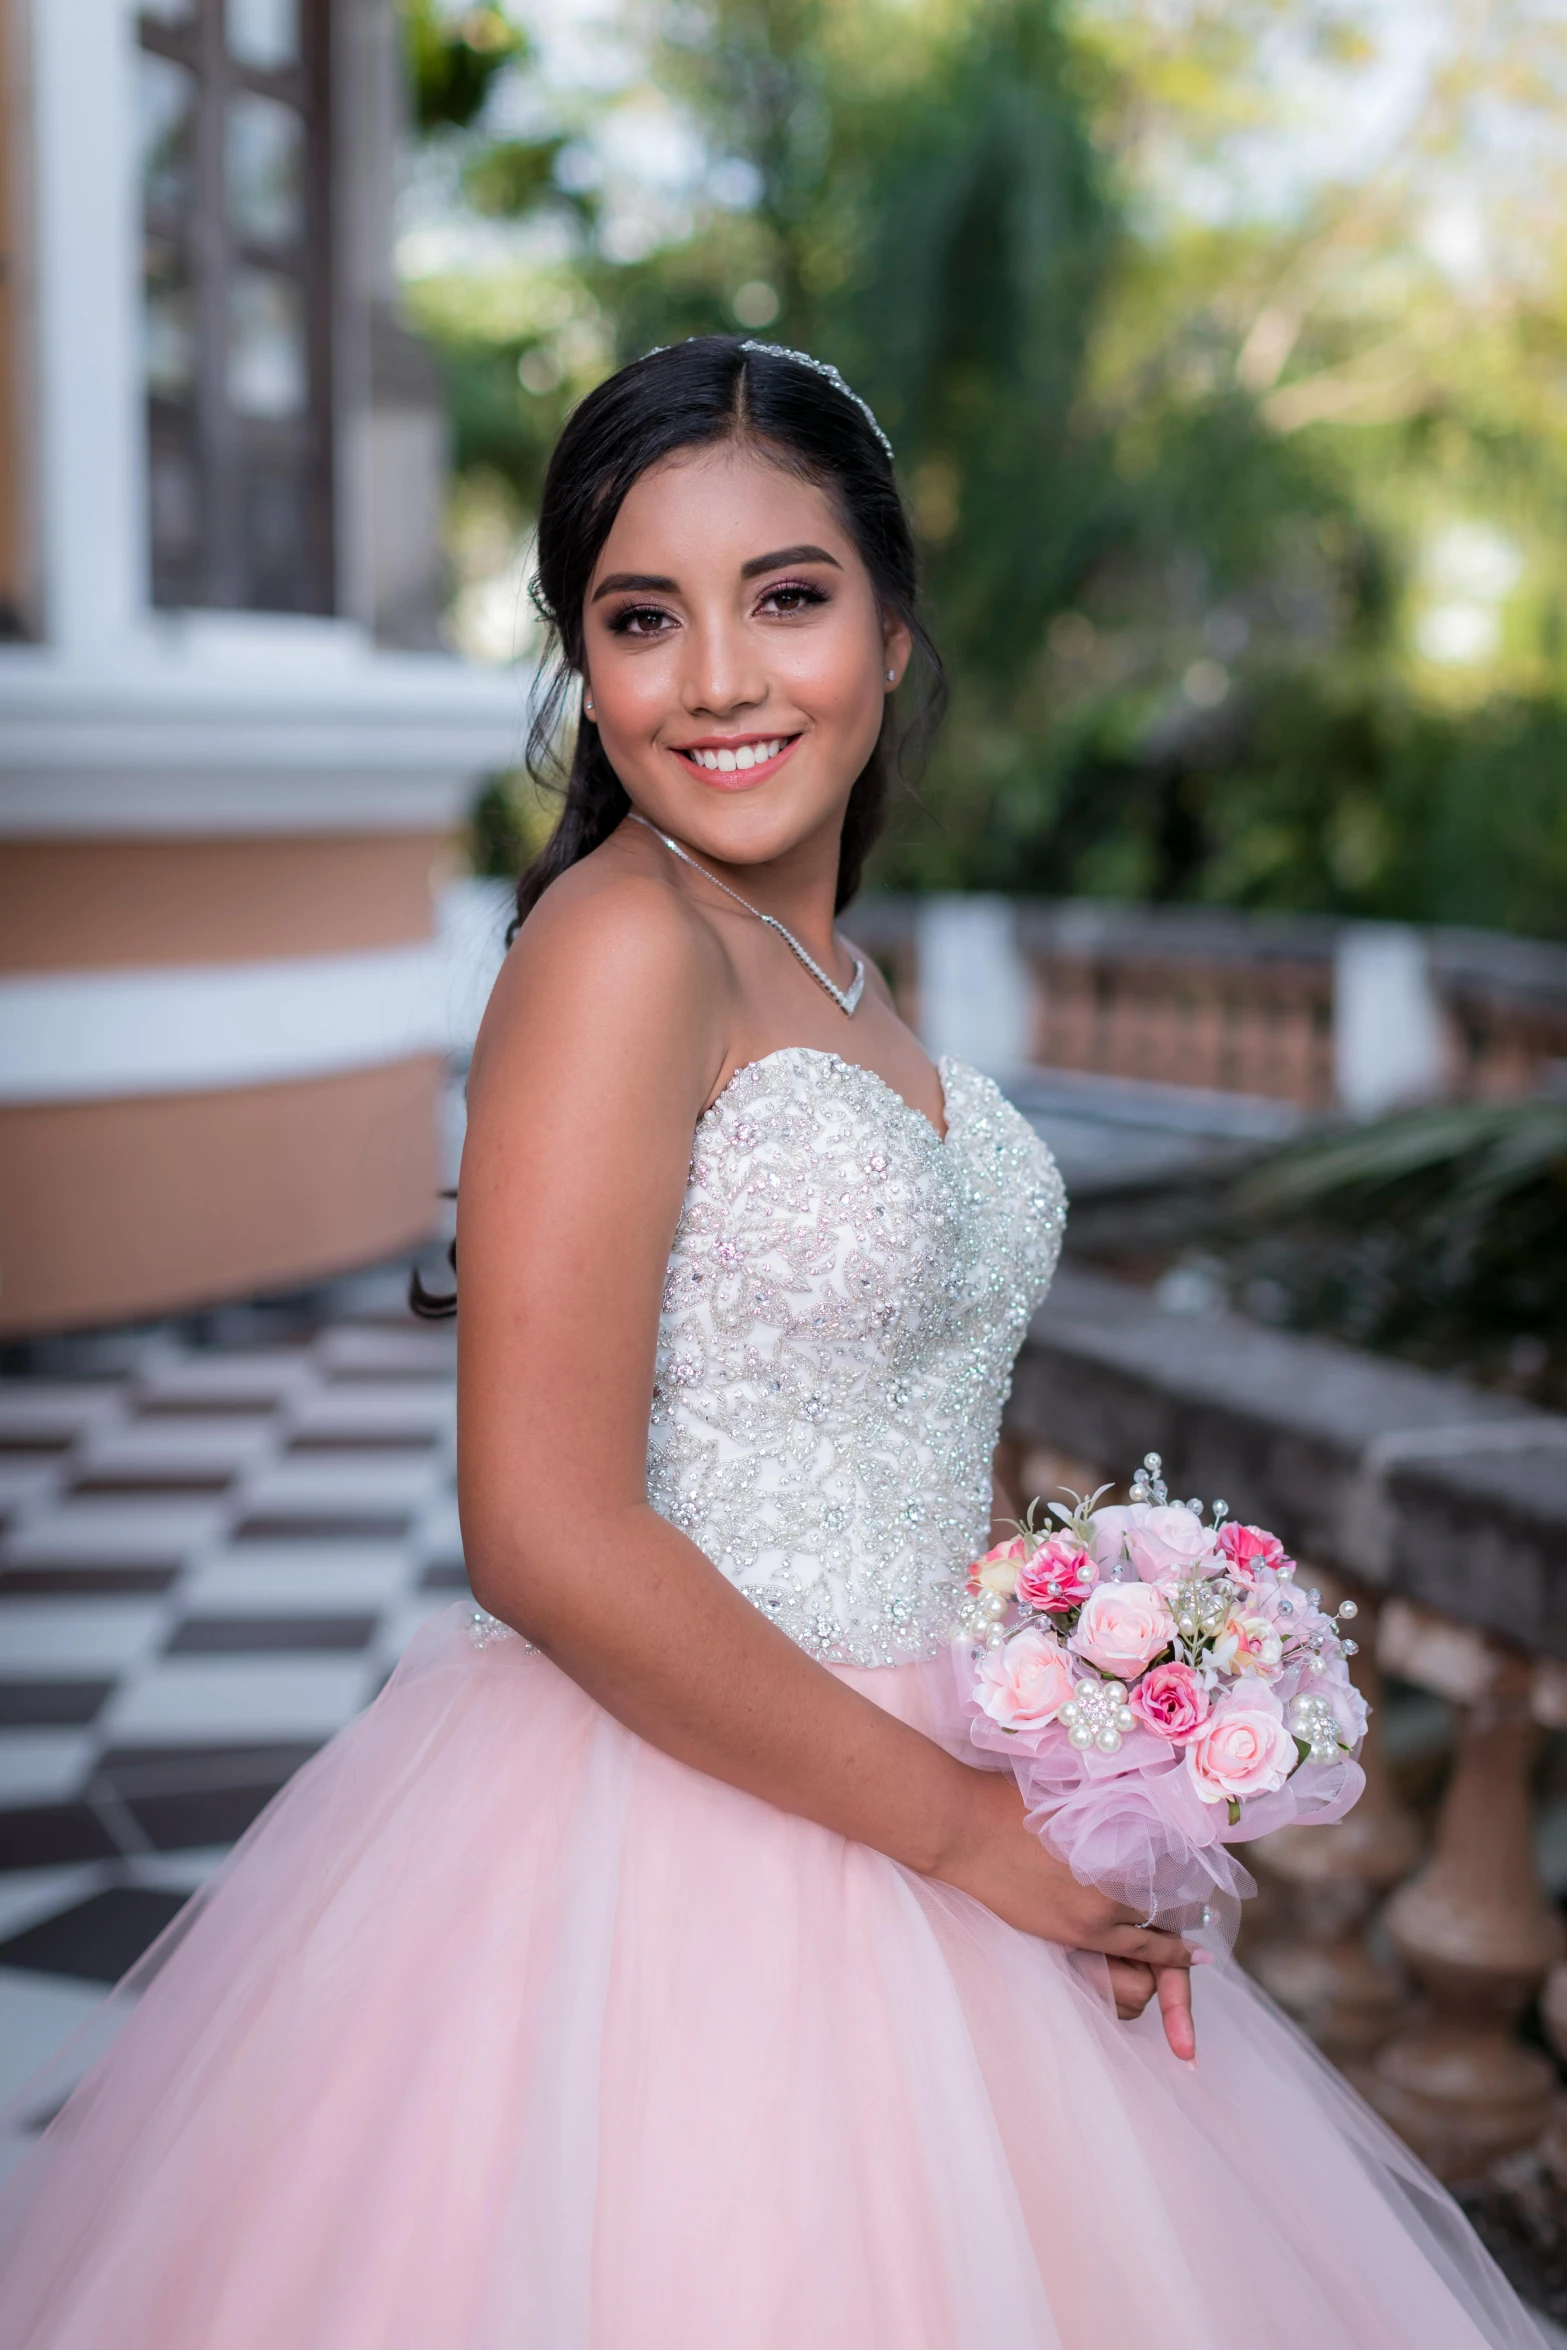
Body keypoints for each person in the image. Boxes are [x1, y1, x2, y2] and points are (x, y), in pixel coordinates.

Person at [0, 338, 1542, 2349]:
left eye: (785, 596)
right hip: (689, 1837)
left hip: (942, 1774)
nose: (716, 676)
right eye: (643, 619)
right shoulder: (621, 947)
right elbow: (545, 1527)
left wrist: (1093, 1678)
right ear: (588, 666)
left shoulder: (846, 985)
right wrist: (978, 1835)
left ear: (893, 632)